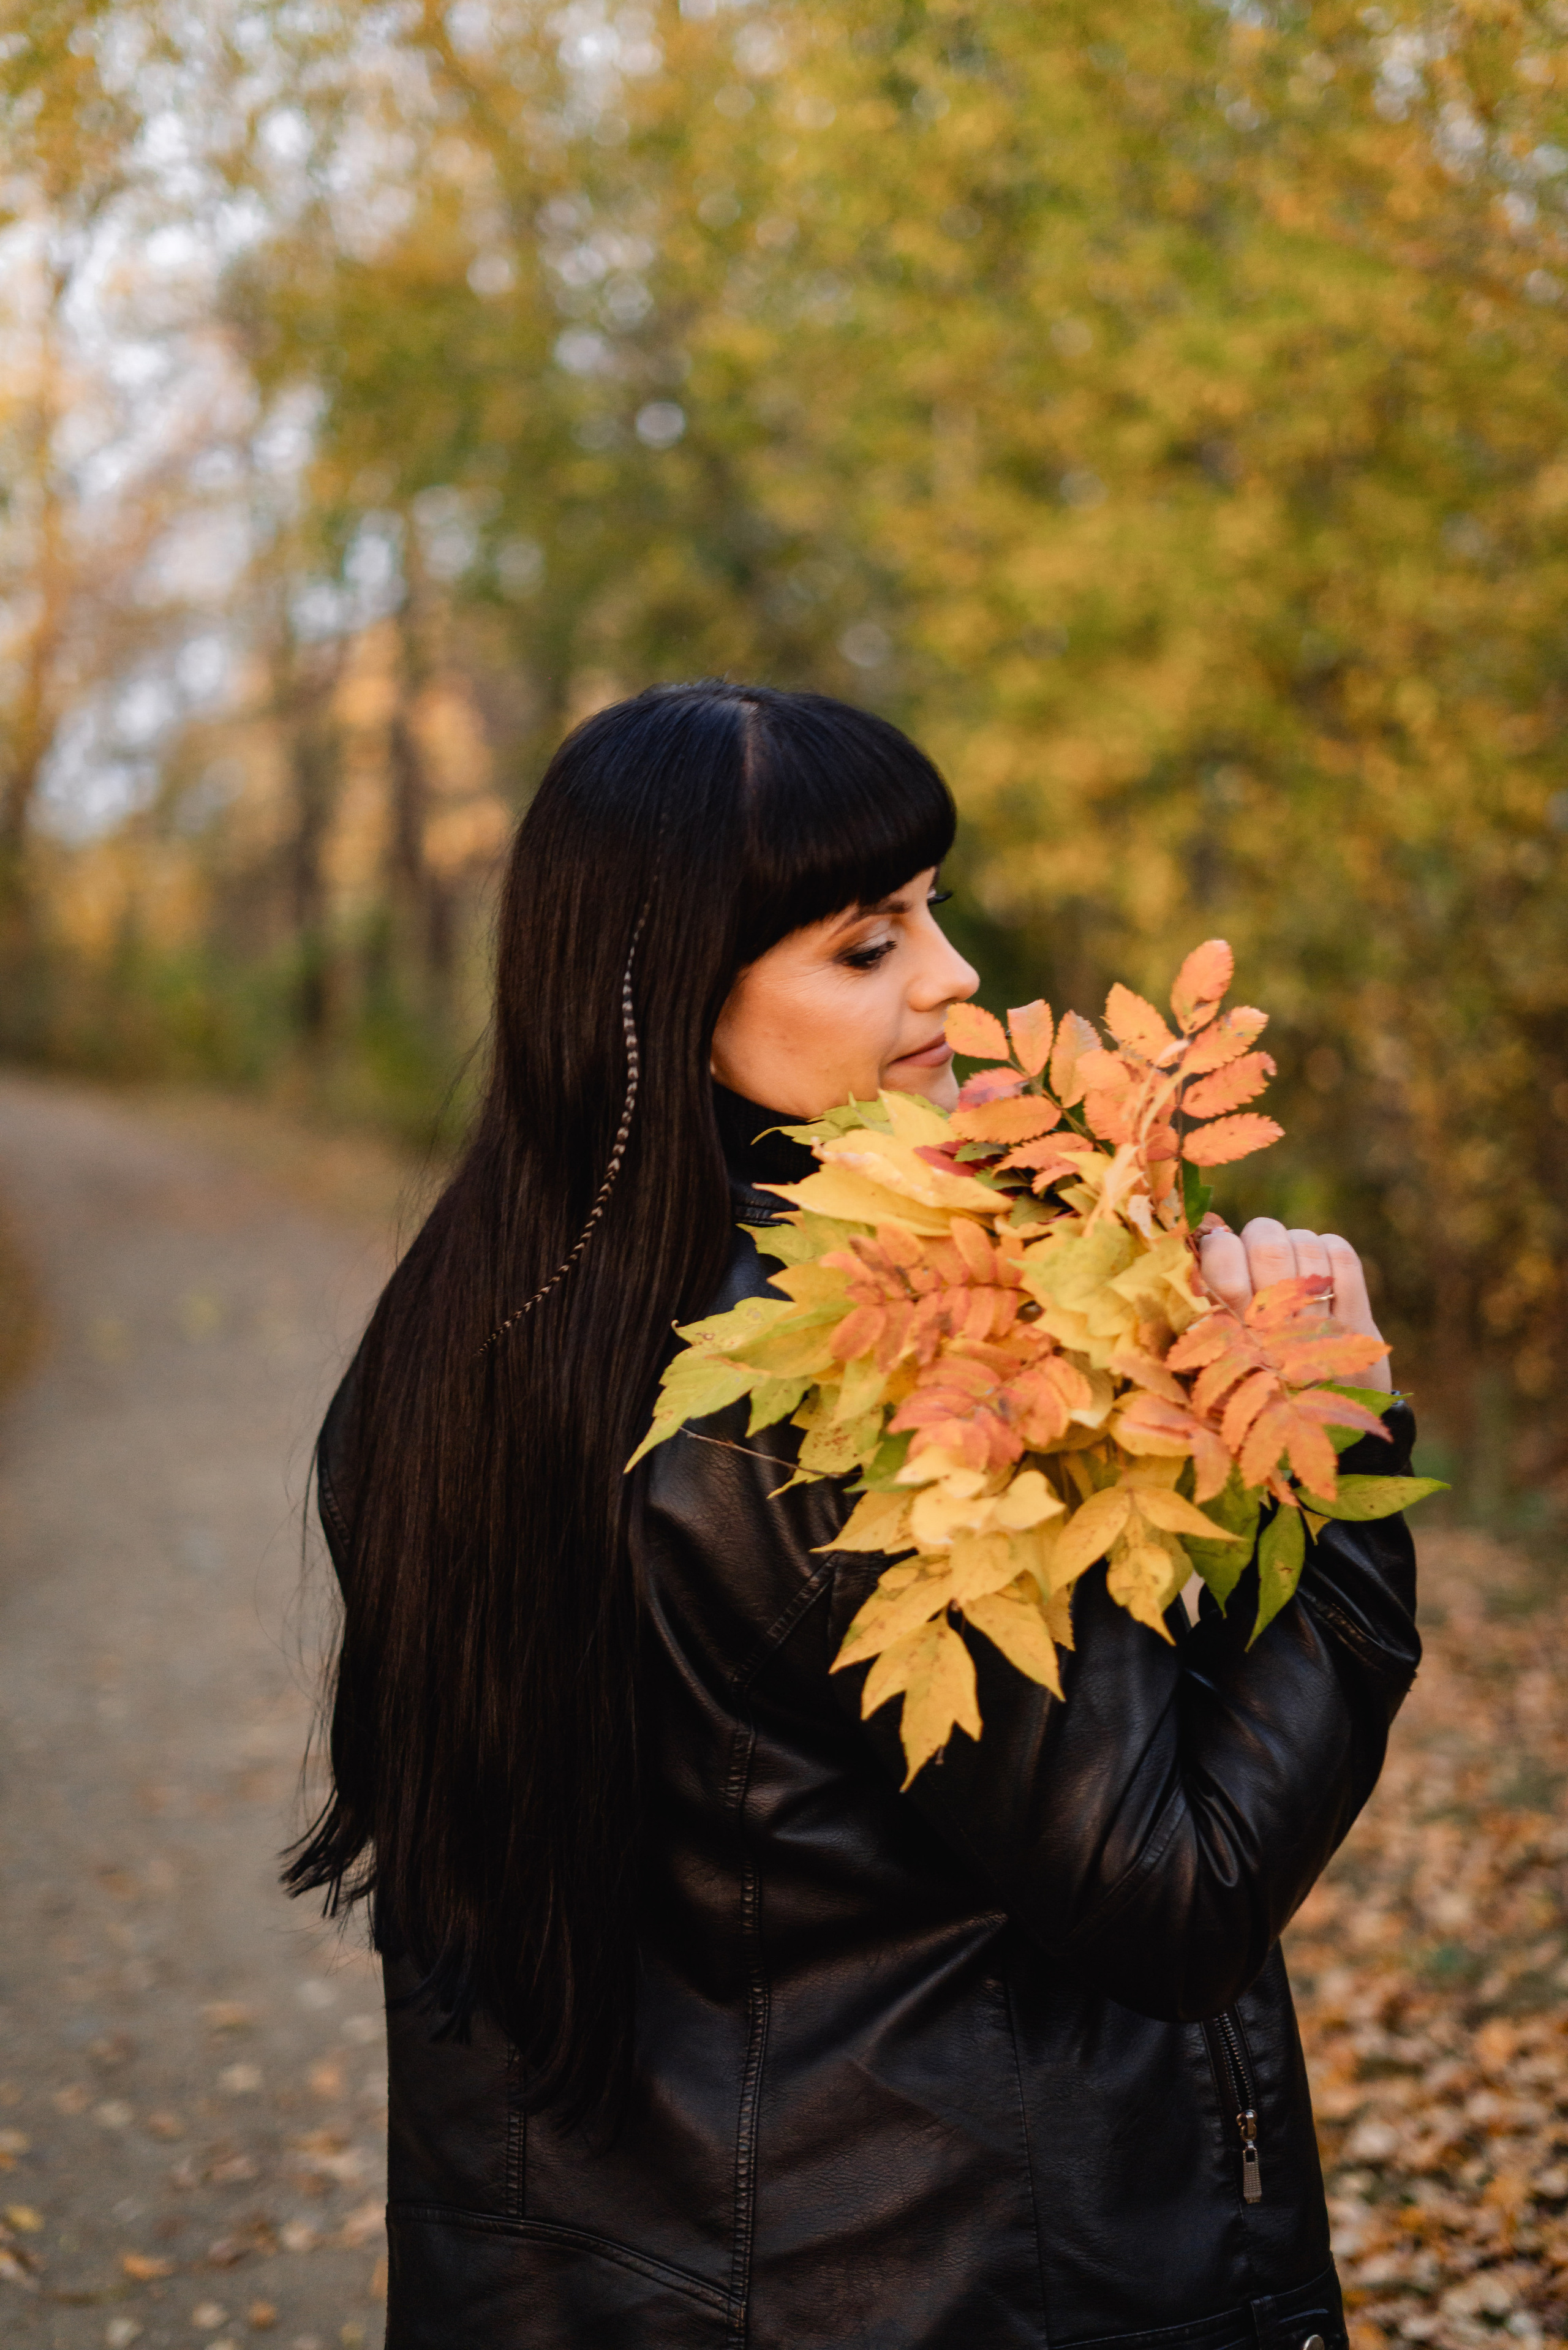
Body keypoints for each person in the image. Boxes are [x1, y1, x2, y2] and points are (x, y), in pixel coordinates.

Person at [292, 680, 1419, 2350]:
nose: (956, 980)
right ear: (667, 993)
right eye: (866, 941)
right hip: (959, 2281)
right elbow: (1174, 1896)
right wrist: (1330, 1461)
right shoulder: (882, 1382)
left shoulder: (454, 1335)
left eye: (932, 909)